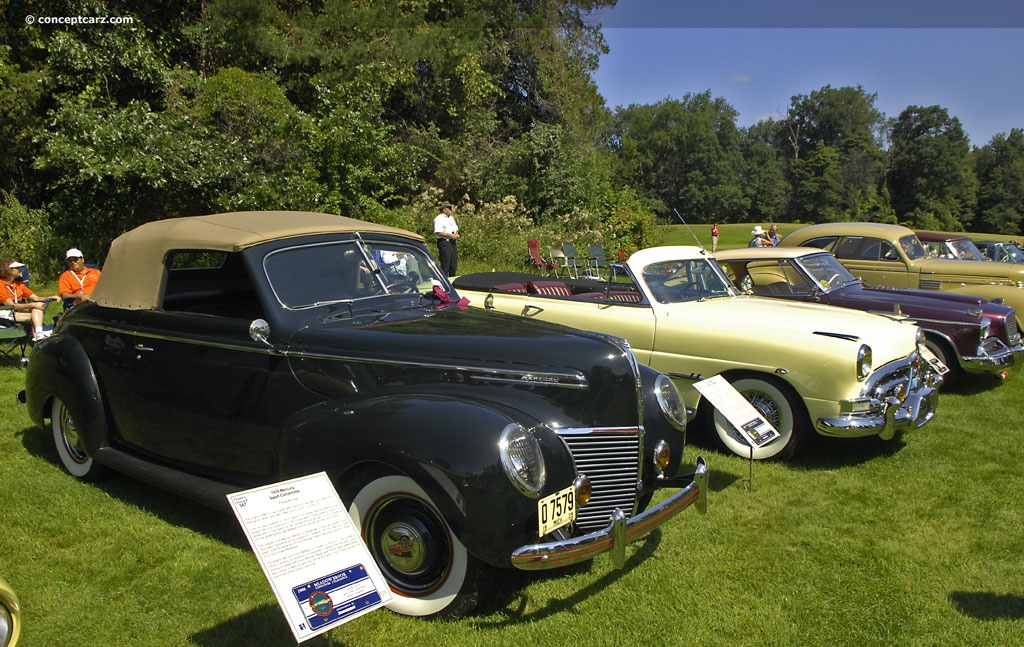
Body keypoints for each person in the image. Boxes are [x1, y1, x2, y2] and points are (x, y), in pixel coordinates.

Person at [1, 259, 58, 341]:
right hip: (5, 312)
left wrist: (50, 297)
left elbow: (36, 298)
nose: (19, 270)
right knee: (36, 315)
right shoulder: (1, 285)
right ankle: (39, 333)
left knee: (36, 310)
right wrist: (32, 305)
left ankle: (38, 334)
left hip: (17, 311)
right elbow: (11, 305)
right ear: (9, 270)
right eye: (17, 268)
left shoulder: (18, 285)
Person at [433, 201, 459, 277]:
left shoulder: (451, 218)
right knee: (445, 264)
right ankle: (444, 281)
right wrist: (450, 236)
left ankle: (452, 280)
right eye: (449, 208)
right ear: (444, 209)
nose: (451, 210)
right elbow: (438, 232)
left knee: (453, 264)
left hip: (452, 242)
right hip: (444, 242)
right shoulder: (439, 219)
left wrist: (455, 234)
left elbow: (455, 228)